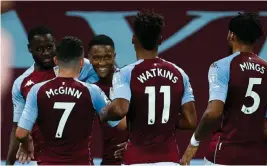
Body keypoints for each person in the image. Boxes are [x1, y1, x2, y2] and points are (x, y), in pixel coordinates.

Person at [99, 10, 197, 165]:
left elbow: (119, 109)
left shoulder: (125, 73)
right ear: (160, 40)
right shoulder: (179, 73)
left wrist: (104, 113)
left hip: (136, 158)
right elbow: (191, 121)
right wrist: (163, 121)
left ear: (133, 39)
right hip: (169, 159)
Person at [181, 12, 267, 165]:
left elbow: (213, 113)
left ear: (231, 35)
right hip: (257, 158)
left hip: (224, 155)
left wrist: (194, 142)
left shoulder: (221, 66)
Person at [15, 36, 118, 165]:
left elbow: (20, 133)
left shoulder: (37, 90)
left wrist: (26, 143)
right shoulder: (92, 91)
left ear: (56, 60)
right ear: (81, 62)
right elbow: (120, 123)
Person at [88, 34, 128, 165]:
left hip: (134, 160)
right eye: (97, 58)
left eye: (107, 57)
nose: (102, 63)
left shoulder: (129, 82)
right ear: (89, 58)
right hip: (109, 161)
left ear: (114, 56)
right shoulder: (89, 88)